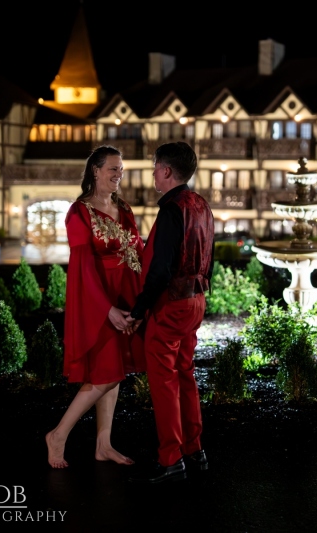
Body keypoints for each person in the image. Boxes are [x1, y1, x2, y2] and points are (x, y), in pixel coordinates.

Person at [45, 145, 145, 469]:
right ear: (96, 171)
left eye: (121, 170)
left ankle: (103, 444)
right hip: (95, 299)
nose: (119, 175)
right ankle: (58, 434)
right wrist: (107, 309)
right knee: (105, 374)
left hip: (124, 296)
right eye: (113, 169)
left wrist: (142, 300)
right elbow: (83, 267)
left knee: (112, 372)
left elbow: (139, 250)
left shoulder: (124, 209)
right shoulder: (79, 212)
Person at [125, 141, 215, 484]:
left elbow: (160, 270)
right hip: (196, 300)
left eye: (154, 169)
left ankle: (171, 460)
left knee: (163, 381)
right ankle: (195, 451)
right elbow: (211, 258)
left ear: (166, 171)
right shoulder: (202, 205)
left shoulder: (171, 209)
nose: (152, 176)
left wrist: (138, 310)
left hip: (171, 302)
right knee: (185, 374)